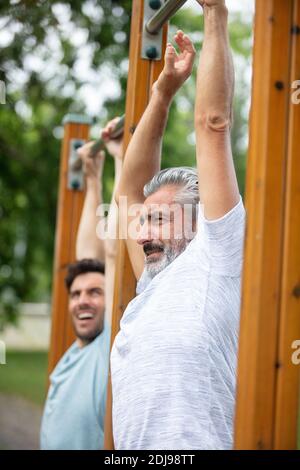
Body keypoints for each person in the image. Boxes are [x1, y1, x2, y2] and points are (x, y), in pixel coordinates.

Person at [111, 0, 245, 450]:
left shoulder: (217, 259)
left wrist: (214, 13)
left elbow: (213, 125)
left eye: (161, 219)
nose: (144, 230)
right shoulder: (148, 285)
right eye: (144, 221)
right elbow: (129, 188)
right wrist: (161, 95)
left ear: (197, 223)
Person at [40, 119, 123, 450]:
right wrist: (92, 178)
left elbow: (113, 250)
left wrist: (120, 158)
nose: (83, 301)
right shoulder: (74, 354)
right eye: (76, 294)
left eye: (95, 293)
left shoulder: (109, 348)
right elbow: (88, 259)